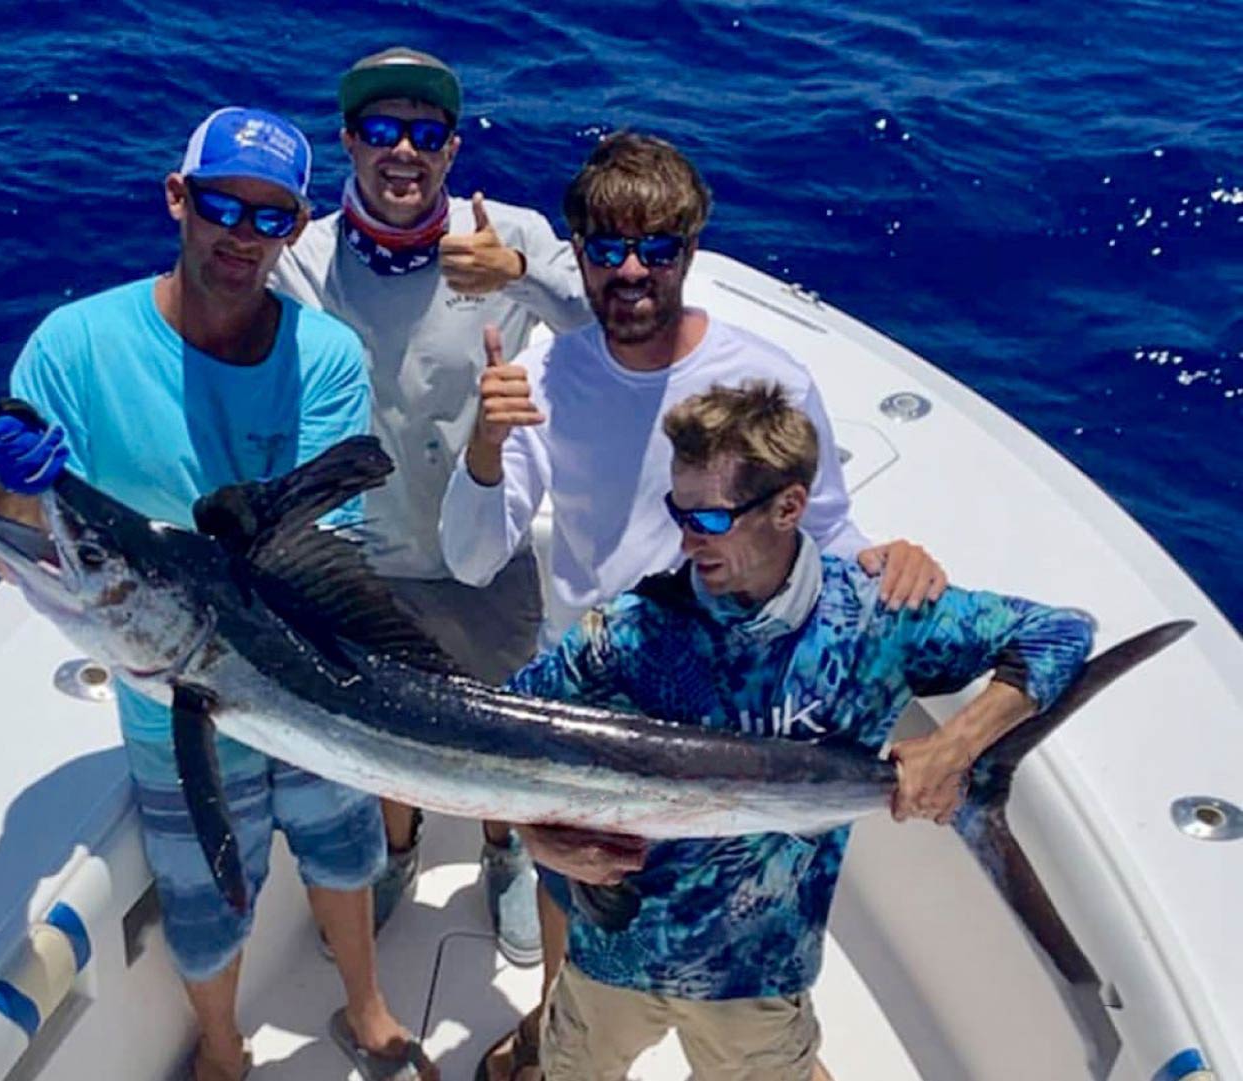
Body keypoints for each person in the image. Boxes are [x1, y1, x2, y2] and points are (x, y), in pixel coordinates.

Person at [437, 132, 947, 1080]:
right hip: (589, 704)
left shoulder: (769, 381)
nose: (631, 270)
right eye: (606, 247)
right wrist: (483, 439)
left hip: (735, 706)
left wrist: (893, 558)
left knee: (743, 924)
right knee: (579, 885)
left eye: (658, 247)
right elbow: (471, 558)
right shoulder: (544, 378)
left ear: (692, 248)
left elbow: (825, 531)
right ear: (577, 253)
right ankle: (561, 1030)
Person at [0, 107, 435, 1081]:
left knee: (347, 854)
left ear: (295, 232)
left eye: (269, 218)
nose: (241, 233)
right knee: (203, 901)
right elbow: (9, 549)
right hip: (166, 693)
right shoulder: (72, 347)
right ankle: (222, 1053)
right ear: (178, 198)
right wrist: (19, 480)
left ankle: (368, 1003)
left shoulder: (326, 359)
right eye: (222, 204)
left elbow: (320, 556)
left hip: (310, 681)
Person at [509, 380, 1095, 1080]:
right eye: (679, 511)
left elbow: (1062, 633)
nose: (686, 538)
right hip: (612, 951)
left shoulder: (877, 618)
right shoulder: (629, 632)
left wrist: (955, 746)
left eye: (712, 520)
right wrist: (535, 833)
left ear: (789, 506)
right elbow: (504, 740)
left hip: (759, 971)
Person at [269, 45, 594, 967]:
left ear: (452, 150)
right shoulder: (308, 254)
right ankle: (398, 850)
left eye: (424, 133)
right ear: (349, 142)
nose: (402, 150)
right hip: (359, 555)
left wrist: (519, 273)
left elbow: (605, 319)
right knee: (382, 725)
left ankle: (504, 855)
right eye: (381, 130)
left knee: (498, 719)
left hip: (483, 548)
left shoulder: (511, 231)